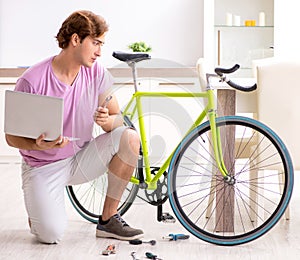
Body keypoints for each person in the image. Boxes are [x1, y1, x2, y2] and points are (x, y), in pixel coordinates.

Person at [5, 10, 144, 244]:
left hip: (81, 157)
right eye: (95, 43)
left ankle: (108, 219)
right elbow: (11, 138)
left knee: (130, 137)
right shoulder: (32, 79)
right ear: (76, 40)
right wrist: (36, 144)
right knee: (50, 235)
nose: (100, 51)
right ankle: (40, 214)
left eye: (102, 44)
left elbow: (118, 118)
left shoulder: (96, 71)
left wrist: (106, 121)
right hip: (42, 166)